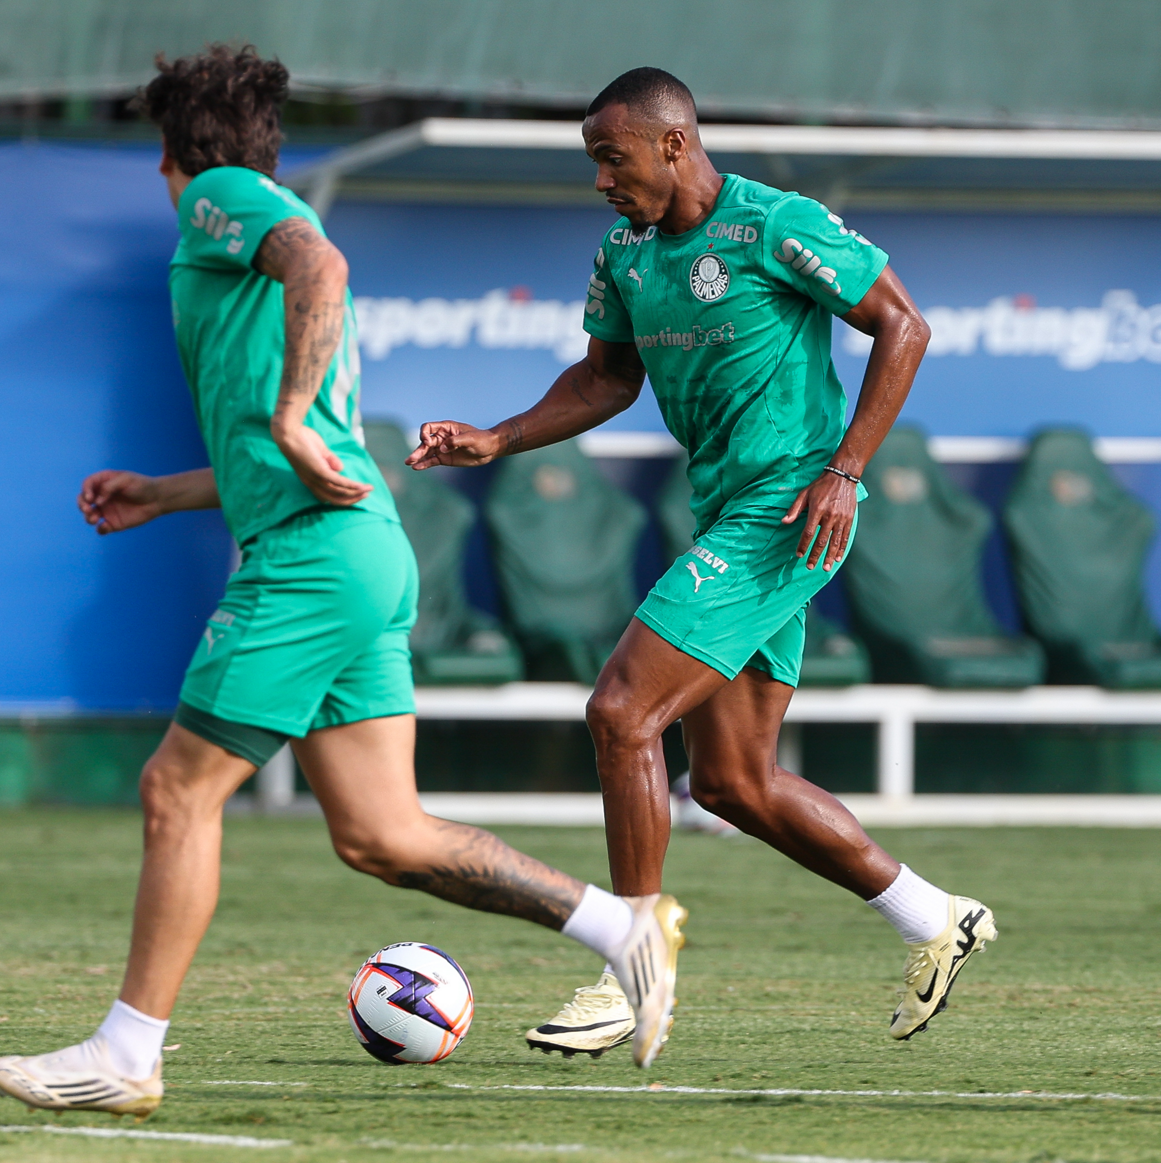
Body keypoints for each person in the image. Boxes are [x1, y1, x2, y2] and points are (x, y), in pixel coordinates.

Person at [0, 47, 687, 1118]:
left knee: (176, 789)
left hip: (311, 559)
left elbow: (320, 269)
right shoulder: (250, 215)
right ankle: (620, 926)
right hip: (358, 548)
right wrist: (168, 492)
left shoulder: (220, 194)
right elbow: (304, 434)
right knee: (382, 835)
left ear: (174, 155)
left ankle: (127, 1052)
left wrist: (283, 413)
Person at [408, 67, 997, 1059]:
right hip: (726, 511)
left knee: (620, 711)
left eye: (612, 158)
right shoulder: (625, 253)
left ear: (673, 143)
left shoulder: (775, 224)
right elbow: (607, 377)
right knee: (730, 783)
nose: (601, 181)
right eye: (593, 162)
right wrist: (498, 437)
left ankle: (633, 961)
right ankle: (936, 917)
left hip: (790, 508)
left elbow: (904, 324)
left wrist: (845, 469)